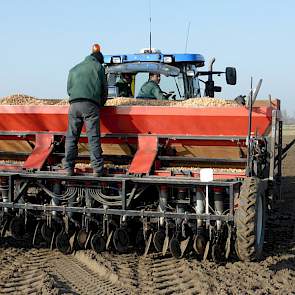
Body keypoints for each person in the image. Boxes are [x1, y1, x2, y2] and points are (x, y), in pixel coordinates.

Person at [63, 43, 108, 177]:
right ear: (99, 59)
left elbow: (69, 89)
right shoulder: (99, 67)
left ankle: (69, 168)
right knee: (93, 136)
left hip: (73, 105)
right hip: (90, 105)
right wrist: (101, 104)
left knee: (71, 137)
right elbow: (104, 89)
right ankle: (97, 169)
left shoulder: (74, 69)